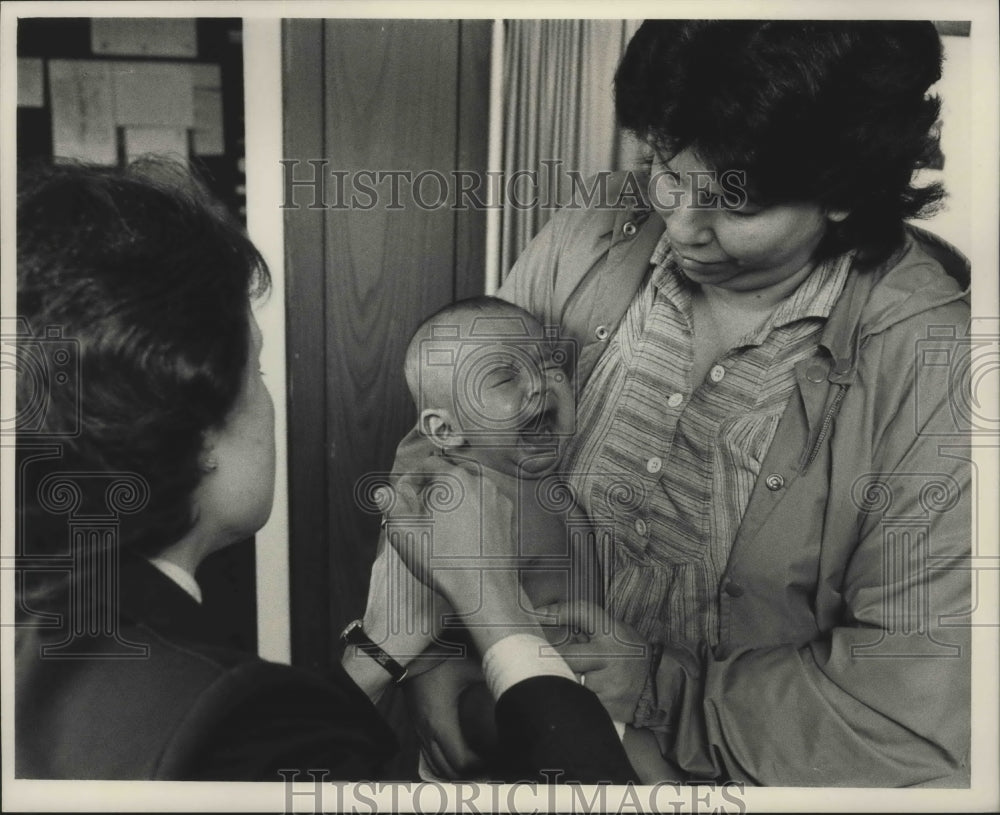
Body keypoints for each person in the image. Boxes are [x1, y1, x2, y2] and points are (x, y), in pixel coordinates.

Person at [396, 20, 972, 787]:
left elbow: (908, 708)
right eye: (662, 164)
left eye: (733, 205)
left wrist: (659, 692)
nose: (678, 219)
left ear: (841, 189)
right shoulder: (588, 238)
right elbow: (444, 450)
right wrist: (430, 652)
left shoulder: (936, 368)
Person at [13, 159, 638, 783]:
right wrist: (493, 602)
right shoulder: (220, 719)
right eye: (256, 373)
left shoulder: (49, 629)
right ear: (201, 428)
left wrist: (382, 648)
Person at [397, 296, 619, 779]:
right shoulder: (457, 500)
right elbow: (408, 614)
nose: (541, 382)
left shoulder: (551, 484)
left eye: (548, 364)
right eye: (504, 376)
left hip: (570, 706)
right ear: (446, 431)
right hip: (495, 711)